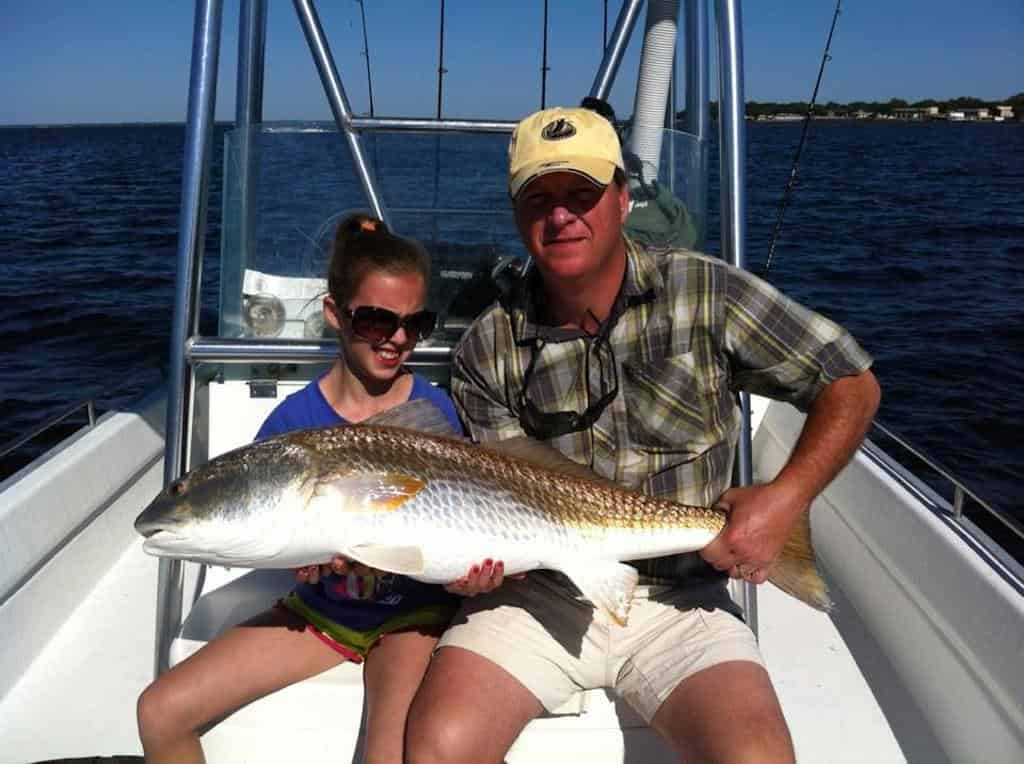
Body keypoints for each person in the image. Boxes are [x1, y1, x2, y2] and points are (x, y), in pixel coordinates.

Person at [403, 106, 881, 764]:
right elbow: (496, 491)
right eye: (537, 198)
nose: (560, 215)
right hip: (540, 592)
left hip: (685, 594)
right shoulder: (488, 348)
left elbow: (850, 380)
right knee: (436, 750)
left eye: (583, 194)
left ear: (623, 199)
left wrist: (785, 498)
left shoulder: (706, 292)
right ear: (516, 214)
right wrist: (466, 567)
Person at [137, 213, 462, 764]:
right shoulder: (292, 424)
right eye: (378, 321)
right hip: (324, 613)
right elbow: (282, 537)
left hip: (412, 612)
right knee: (159, 711)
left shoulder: (434, 414)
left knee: (388, 754)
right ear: (335, 314)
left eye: (416, 322)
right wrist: (303, 567)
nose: (399, 339)